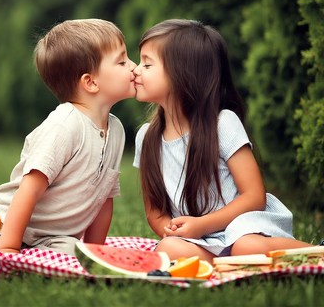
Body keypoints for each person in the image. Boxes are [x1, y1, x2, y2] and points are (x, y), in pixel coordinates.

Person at [132, 19, 312, 263]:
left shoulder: (222, 123)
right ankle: (230, 263)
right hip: (198, 240)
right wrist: (173, 230)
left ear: (182, 73)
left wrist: (202, 225)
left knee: (246, 247)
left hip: (244, 226)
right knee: (169, 249)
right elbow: (155, 212)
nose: (136, 70)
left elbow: (254, 196)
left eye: (147, 64)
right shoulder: (147, 137)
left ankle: (315, 252)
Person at [0, 19, 136, 255]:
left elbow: (104, 200)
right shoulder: (65, 125)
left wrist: (96, 254)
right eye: (122, 61)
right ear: (91, 82)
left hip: (51, 238)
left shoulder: (116, 131)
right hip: (3, 225)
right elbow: (29, 190)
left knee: (75, 254)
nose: (134, 67)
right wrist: (10, 249)